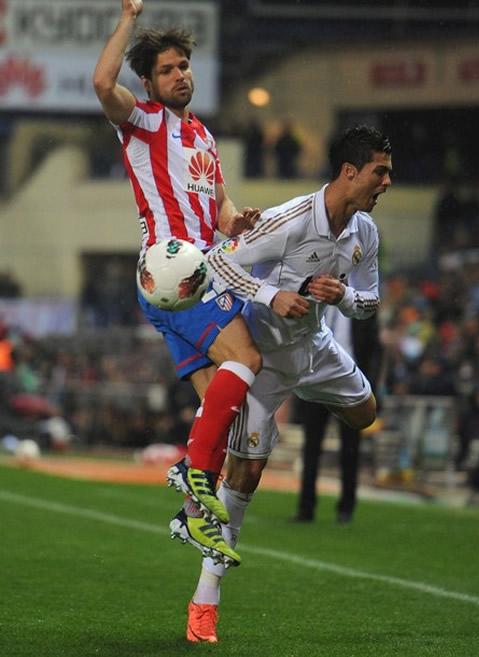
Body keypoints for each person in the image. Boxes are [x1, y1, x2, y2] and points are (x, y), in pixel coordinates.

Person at [185, 124, 393, 642]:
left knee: (367, 413)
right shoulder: (290, 219)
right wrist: (270, 294)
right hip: (266, 360)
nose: (387, 182)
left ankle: (307, 396)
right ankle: (204, 600)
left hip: (316, 348)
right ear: (351, 171)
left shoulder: (364, 231)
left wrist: (343, 296)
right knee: (246, 476)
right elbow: (217, 263)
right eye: (380, 172)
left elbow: (369, 303)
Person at [93, 0, 263, 567]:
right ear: (149, 81)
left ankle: (193, 515)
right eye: (167, 69)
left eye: (184, 65)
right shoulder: (142, 120)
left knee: (224, 404)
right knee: (248, 359)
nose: (180, 74)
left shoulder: (204, 138)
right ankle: (191, 476)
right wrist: (128, 19)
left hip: (193, 273)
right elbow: (100, 82)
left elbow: (218, 205)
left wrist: (237, 221)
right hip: (177, 272)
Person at [293, 309, 383, 525]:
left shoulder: (358, 303)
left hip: (348, 383)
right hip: (315, 380)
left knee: (350, 449)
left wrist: (369, 388)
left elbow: (374, 348)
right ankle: (306, 508)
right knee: (311, 446)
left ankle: (346, 508)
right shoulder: (315, 300)